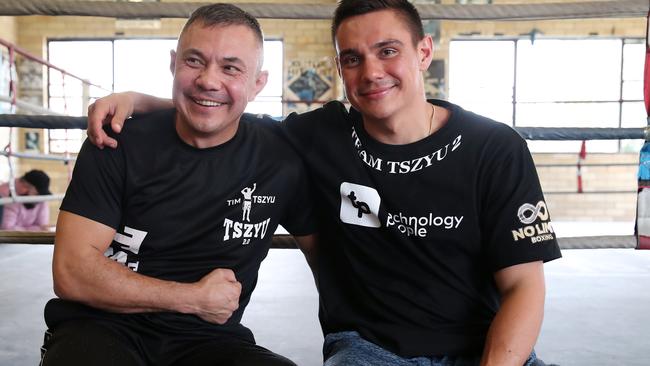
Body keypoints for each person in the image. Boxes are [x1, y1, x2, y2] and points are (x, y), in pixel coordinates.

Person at [87, 1, 562, 365]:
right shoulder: (314, 136)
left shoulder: (495, 147)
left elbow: (524, 286)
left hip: (486, 346)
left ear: (424, 52)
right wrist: (140, 100)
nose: (371, 72)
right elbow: (221, 111)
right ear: (339, 68)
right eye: (352, 58)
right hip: (369, 349)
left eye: (388, 51)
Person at [41, 4, 317, 366]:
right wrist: (193, 298)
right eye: (194, 61)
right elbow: (72, 273)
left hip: (208, 340)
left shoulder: (281, 155)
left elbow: (330, 259)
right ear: (173, 63)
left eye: (231, 68)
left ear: (258, 82)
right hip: (100, 327)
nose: (209, 80)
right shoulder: (117, 140)